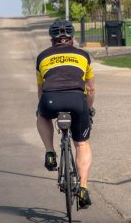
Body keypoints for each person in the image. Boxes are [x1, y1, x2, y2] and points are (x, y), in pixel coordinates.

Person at [35, 19, 95, 209]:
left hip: (50, 100)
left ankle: (50, 152)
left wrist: (42, 106)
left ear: (51, 39)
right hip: (77, 101)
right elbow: (91, 89)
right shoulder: (83, 56)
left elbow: (41, 90)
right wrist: (89, 108)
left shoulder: (42, 57)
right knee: (82, 144)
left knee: (42, 115)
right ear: (72, 38)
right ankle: (83, 189)